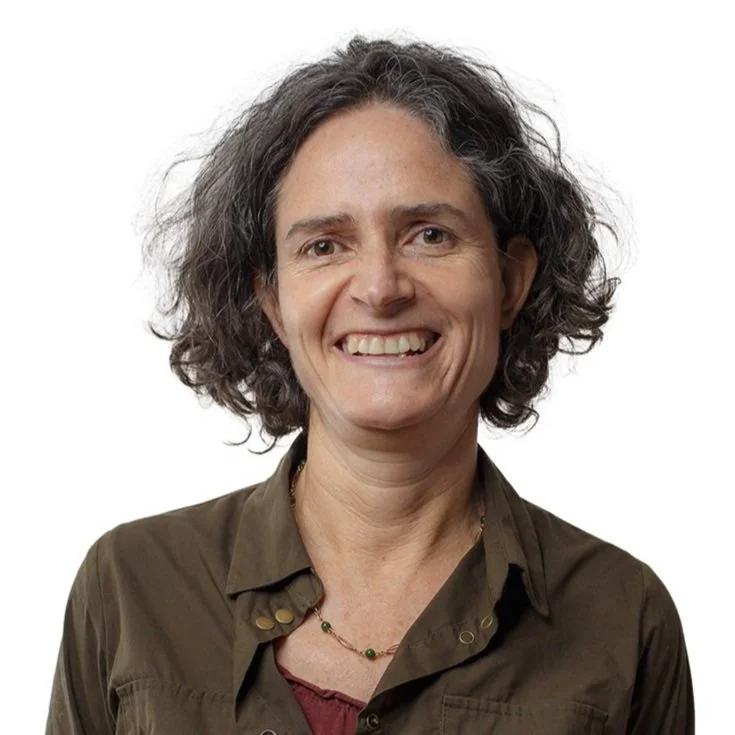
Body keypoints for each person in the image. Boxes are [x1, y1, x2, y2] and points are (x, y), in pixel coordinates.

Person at [46, 36, 694, 734]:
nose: (381, 289)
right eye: (324, 245)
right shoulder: (130, 587)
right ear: (272, 301)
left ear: (510, 281)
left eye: (429, 235)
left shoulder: (622, 616)